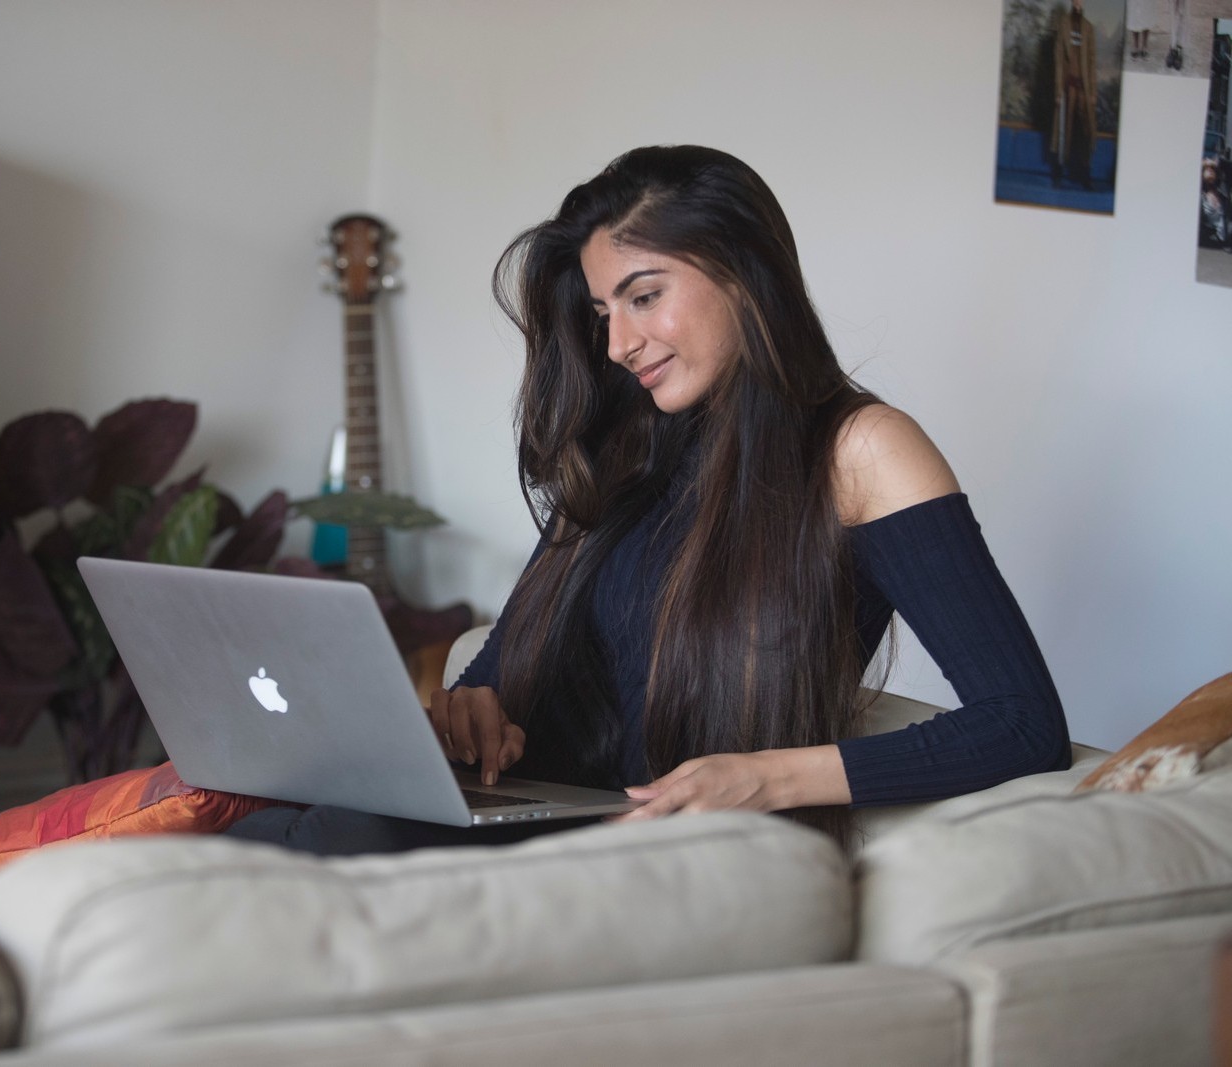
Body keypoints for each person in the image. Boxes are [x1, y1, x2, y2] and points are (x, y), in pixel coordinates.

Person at [228, 145, 1069, 854]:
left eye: (643, 294)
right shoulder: (622, 446)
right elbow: (500, 672)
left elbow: (1021, 723)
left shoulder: (860, 450)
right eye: (602, 311)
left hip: (677, 857)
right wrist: (474, 709)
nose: (617, 343)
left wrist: (770, 776)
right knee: (247, 826)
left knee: (304, 850)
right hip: (548, 822)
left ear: (743, 272)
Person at [1051, 0, 1099, 189]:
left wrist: (1093, 92)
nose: (1078, 3)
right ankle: (1058, 173)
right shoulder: (1063, 23)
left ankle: (1085, 174)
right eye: (1075, 0)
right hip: (1066, 87)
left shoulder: (1088, 28)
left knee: (1086, 131)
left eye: (1081, 0)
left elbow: (1092, 62)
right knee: (1064, 130)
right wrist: (1057, 91)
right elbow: (1058, 59)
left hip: (1084, 90)